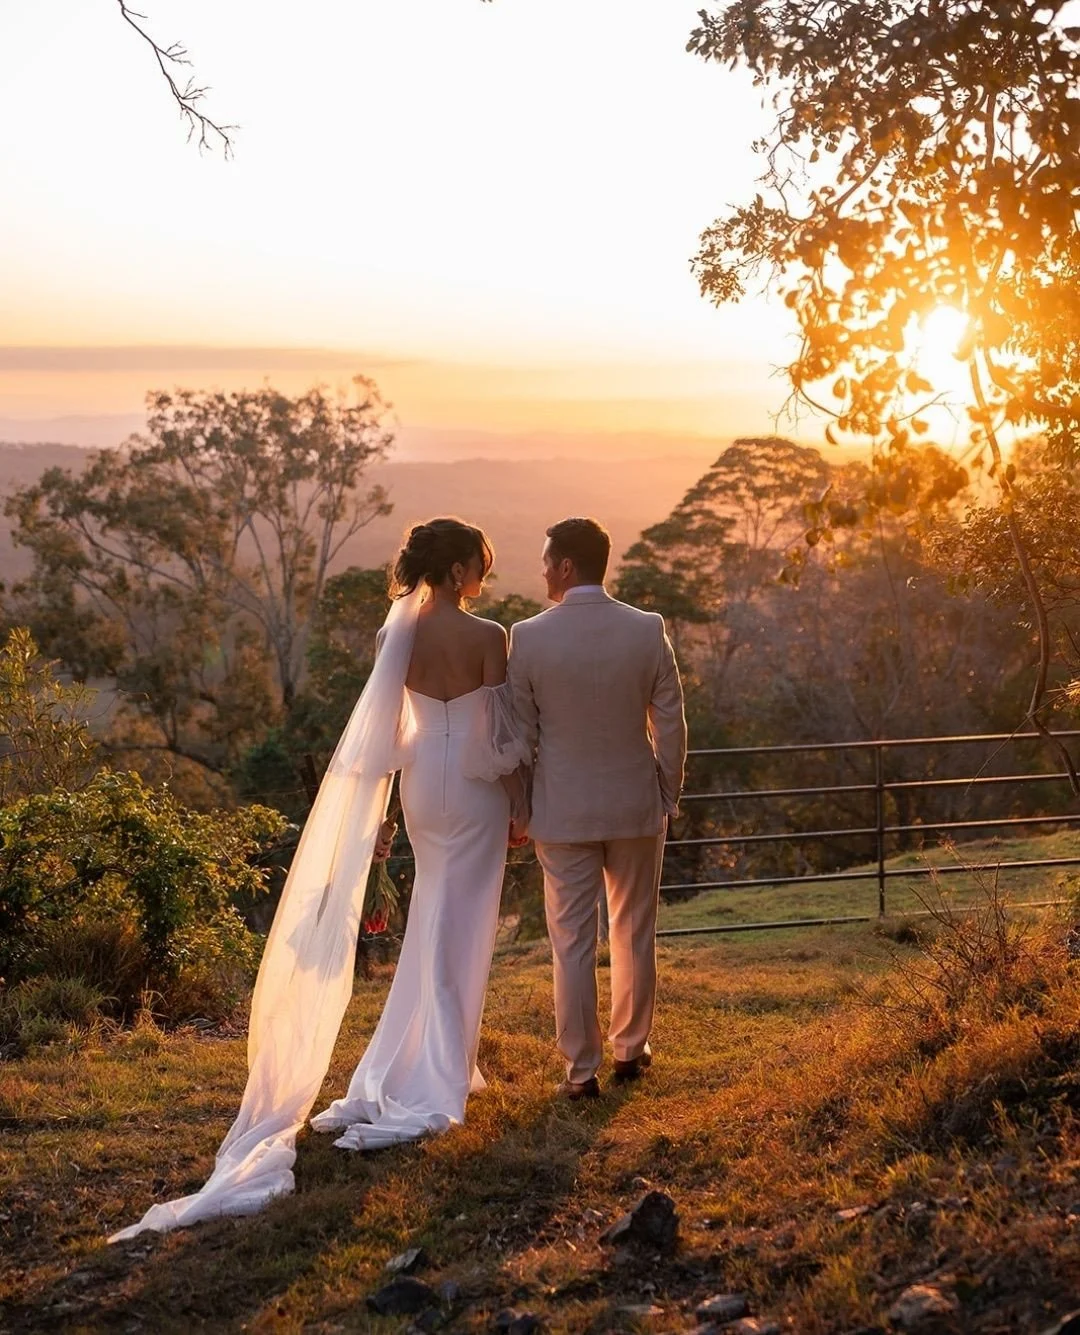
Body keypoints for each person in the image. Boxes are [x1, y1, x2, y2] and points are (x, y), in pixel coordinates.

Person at [111, 518, 528, 1240]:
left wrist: (383, 818)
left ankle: (427, 1059)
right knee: (466, 922)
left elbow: (386, 736)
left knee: (435, 914)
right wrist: (521, 800)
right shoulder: (491, 636)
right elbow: (497, 734)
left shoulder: (392, 636)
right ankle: (441, 1072)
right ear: (461, 569)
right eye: (479, 567)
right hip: (478, 788)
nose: (482, 580)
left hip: (423, 787)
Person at [507, 516, 686, 1100]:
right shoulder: (646, 629)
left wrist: (523, 807)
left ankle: (581, 1071)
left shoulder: (528, 637)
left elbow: (520, 737)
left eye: (544, 560)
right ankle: (631, 1050)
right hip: (635, 804)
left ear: (564, 566)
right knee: (635, 930)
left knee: (572, 942)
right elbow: (672, 724)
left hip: (561, 812)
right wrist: (666, 793)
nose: (540, 570)